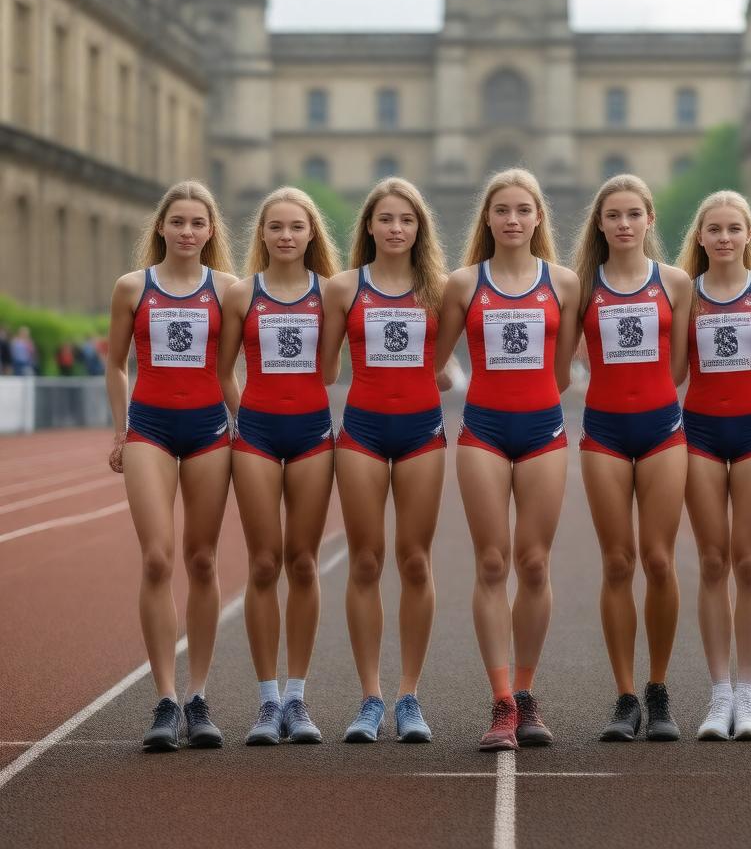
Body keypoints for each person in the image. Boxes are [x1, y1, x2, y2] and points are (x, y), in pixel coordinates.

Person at [435, 167, 580, 751]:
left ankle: (525, 694)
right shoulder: (463, 283)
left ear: (538, 217)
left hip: (544, 429)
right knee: (492, 563)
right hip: (484, 433)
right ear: (488, 219)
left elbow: (564, 369)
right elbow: (438, 357)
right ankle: (498, 704)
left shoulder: (564, 283)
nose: (513, 219)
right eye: (502, 210)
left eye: (524, 209)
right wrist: (458, 383)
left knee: (536, 564)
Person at [105, 179, 237, 751]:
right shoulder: (132, 287)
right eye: (178, 221)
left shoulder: (228, 290)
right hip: (150, 431)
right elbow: (115, 364)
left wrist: (250, 426)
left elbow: (231, 370)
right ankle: (164, 699)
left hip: (210, 431)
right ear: (160, 226)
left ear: (211, 233)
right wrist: (121, 427)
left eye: (198, 224)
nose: (187, 231)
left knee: (202, 560)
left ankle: (199, 696)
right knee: (157, 558)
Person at [321, 178, 448, 743]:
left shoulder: (441, 292)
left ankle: (409, 697)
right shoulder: (343, 288)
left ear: (420, 229)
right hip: (363, 433)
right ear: (368, 226)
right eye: (386, 219)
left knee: (415, 561)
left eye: (407, 220)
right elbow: (325, 369)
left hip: (423, 431)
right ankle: (370, 697)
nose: (396, 229)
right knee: (366, 562)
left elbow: (447, 367)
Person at [218, 186, 342, 747]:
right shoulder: (242, 295)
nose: (286, 236)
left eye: (296, 227)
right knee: (263, 563)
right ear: (261, 234)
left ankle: (297, 695)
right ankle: (267, 701)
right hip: (258, 438)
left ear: (312, 233)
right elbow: (224, 372)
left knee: (304, 563)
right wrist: (250, 417)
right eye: (276, 227)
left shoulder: (332, 294)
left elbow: (336, 367)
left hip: (314, 435)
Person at [574, 174, 691, 742]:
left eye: (633, 214)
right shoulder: (580, 286)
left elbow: (678, 366)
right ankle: (624, 696)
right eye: (613, 215)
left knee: (661, 561)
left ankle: (659, 688)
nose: (623, 224)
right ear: (600, 223)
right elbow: (561, 355)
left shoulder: (675, 282)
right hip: (604, 432)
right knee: (618, 562)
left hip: (663, 429)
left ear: (649, 220)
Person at [676, 190, 751, 741]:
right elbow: (672, 370)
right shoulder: (684, 296)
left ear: (749, 236)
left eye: (734, 229)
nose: (724, 238)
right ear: (699, 238)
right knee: (712, 560)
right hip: (697, 435)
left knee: (750, 562)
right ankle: (718, 691)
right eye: (714, 229)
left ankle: (747, 694)